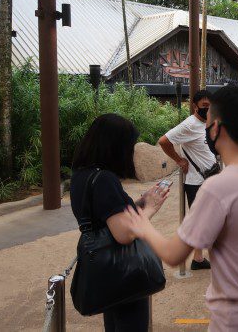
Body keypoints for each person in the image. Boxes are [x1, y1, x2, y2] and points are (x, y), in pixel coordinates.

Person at [124, 85, 238, 330]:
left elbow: (173, 254)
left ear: (217, 127)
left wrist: (142, 224)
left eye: (209, 121)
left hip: (235, 319)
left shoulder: (219, 188)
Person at [70, 114, 169, 332]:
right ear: (116, 146)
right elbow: (123, 233)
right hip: (124, 269)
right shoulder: (105, 179)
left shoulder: (81, 175)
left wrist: (138, 203)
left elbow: (105, 216)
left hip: (104, 266)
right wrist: (151, 208)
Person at [158, 89, 215, 270]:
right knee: (202, 221)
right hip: (197, 181)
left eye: (210, 106)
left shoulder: (208, 123)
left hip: (211, 177)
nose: (208, 109)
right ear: (195, 106)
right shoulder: (189, 124)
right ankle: (198, 258)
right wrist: (178, 159)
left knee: (209, 220)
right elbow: (164, 141)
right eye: (205, 106)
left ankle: (199, 258)